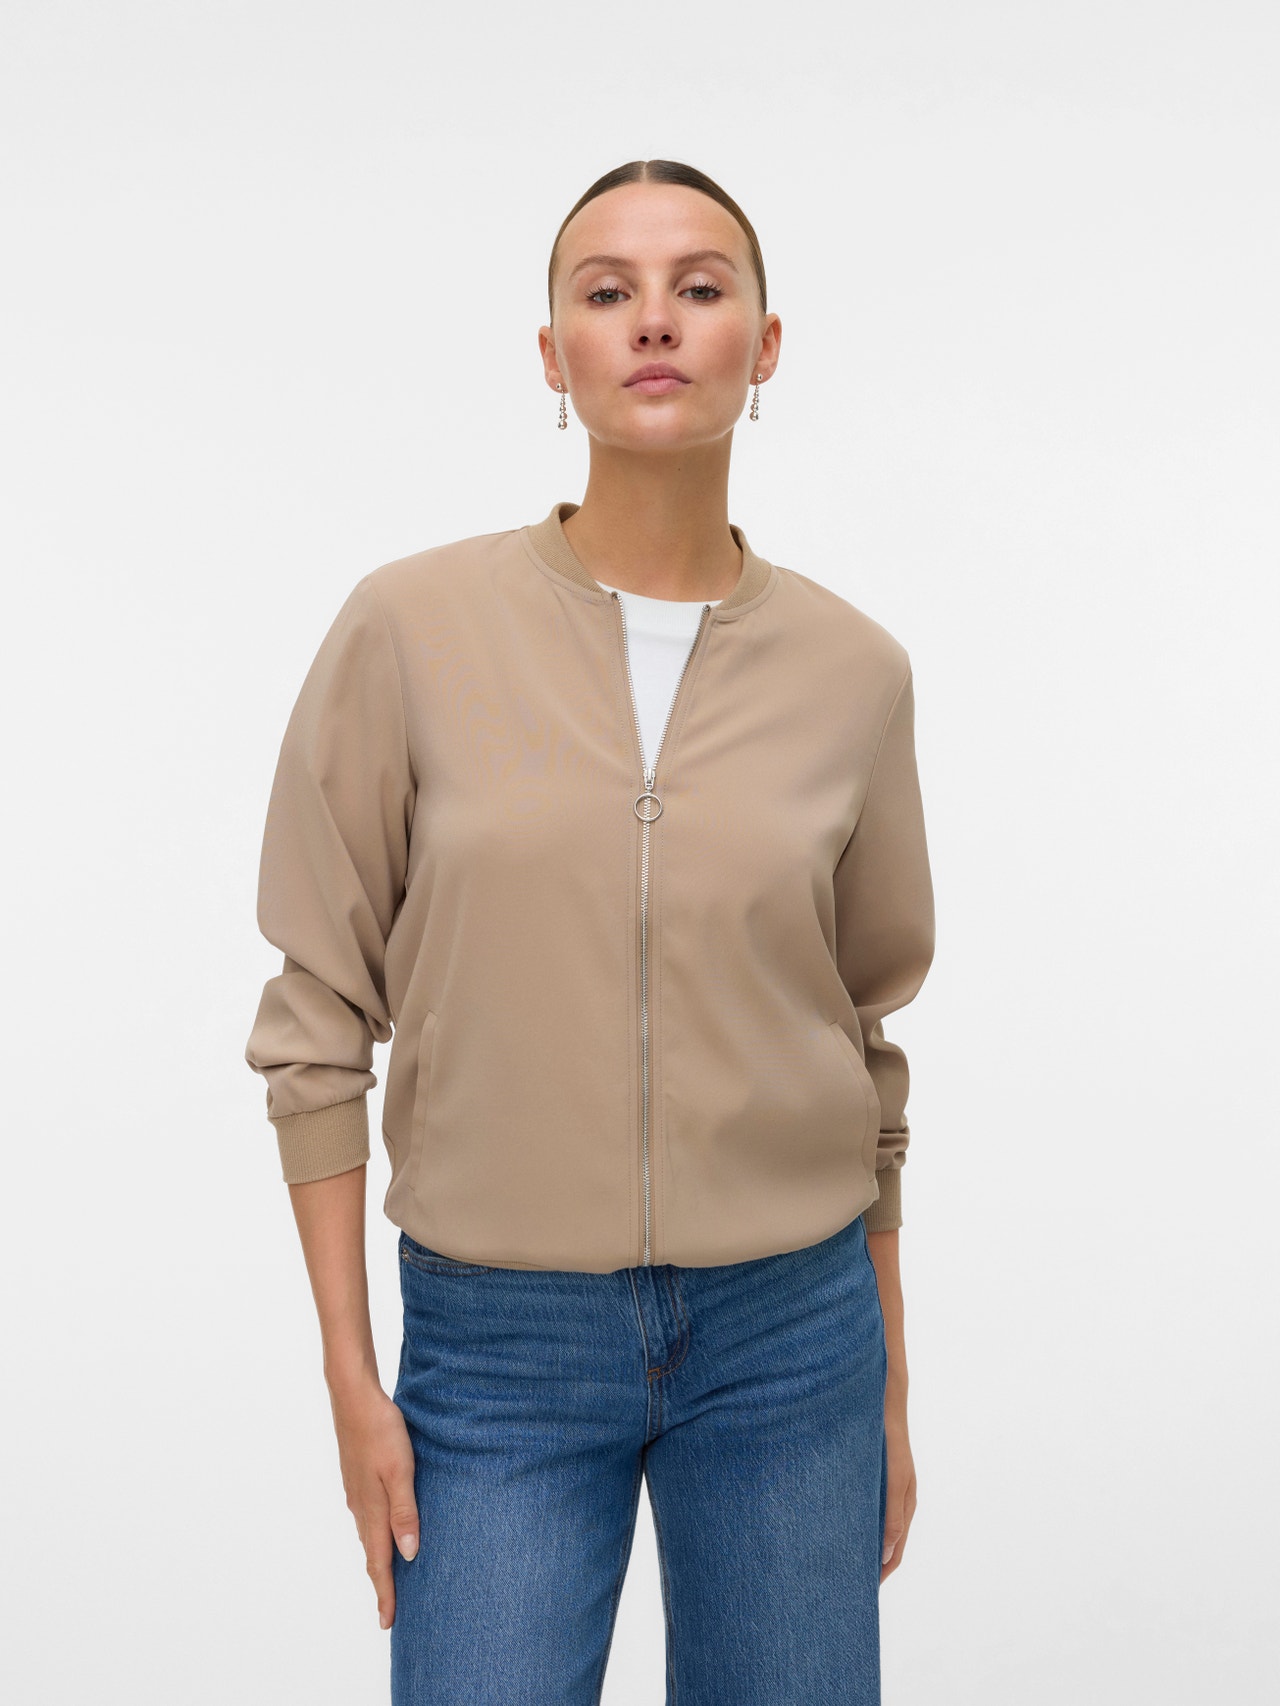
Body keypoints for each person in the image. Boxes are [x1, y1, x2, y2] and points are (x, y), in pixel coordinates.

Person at [244, 157, 936, 1706]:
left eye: (701, 287)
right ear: (552, 354)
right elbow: (314, 1015)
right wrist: (352, 1372)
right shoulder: (411, 629)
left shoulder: (854, 672)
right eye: (608, 291)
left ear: (765, 345)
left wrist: (888, 1378)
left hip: (793, 1335)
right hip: (497, 1342)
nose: (655, 321)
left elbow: (866, 1041)